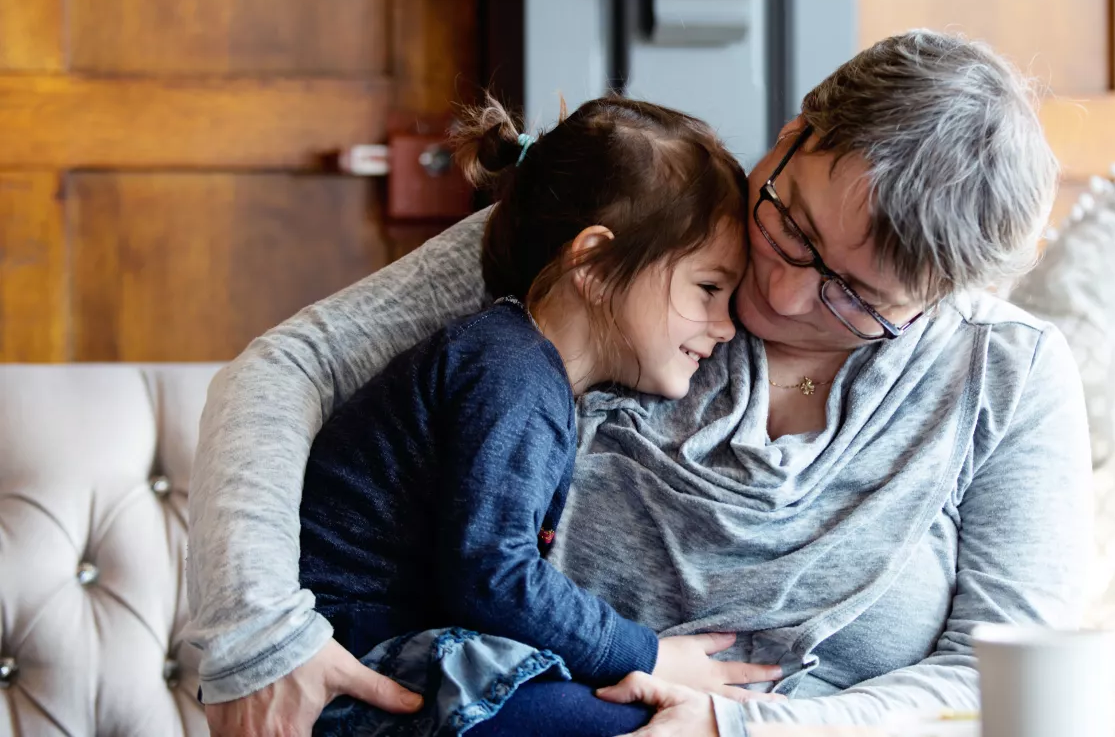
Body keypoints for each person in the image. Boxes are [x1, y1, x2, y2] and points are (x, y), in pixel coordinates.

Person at [186, 30, 1093, 737]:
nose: (775, 293)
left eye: (855, 296)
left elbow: (1005, 681)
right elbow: (287, 367)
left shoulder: (1003, 376)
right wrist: (260, 636)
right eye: (792, 227)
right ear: (793, 132)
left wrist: (745, 727)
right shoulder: (638, 235)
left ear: (940, 300)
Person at [295, 97, 786, 736]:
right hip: (360, 666)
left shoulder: (523, 366)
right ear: (594, 263)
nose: (726, 326)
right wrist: (650, 655)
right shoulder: (511, 373)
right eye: (708, 289)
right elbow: (493, 578)